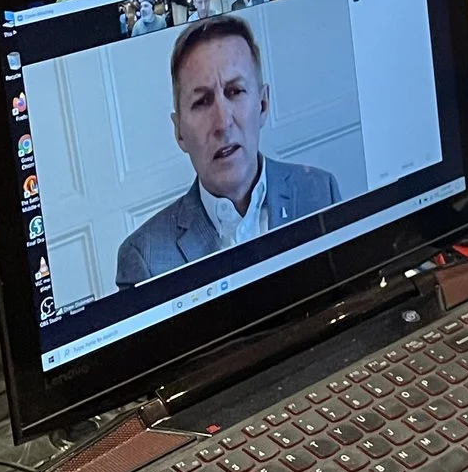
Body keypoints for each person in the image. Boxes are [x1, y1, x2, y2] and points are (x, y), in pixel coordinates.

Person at [115, 15, 340, 287]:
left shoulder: (321, 191)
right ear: (180, 132)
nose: (222, 123)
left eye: (235, 91)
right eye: (201, 101)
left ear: (263, 105)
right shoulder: (144, 258)